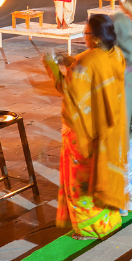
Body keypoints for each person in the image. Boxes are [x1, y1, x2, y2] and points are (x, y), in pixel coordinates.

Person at [44, 14, 127, 240]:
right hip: (109, 129)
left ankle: (91, 228)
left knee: (81, 181)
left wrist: (51, 65)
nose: (84, 36)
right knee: (104, 175)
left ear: (98, 38)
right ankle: (110, 220)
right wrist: (70, 60)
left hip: (84, 132)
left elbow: (69, 90)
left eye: (87, 33)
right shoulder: (115, 54)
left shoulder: (86, 62)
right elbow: (94, 71)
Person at [111, 10, 132, 216]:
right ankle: (130, 202)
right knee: (129, 159)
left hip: (115, 120)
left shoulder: (113, 59)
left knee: (116, 162)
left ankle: (119, 204)